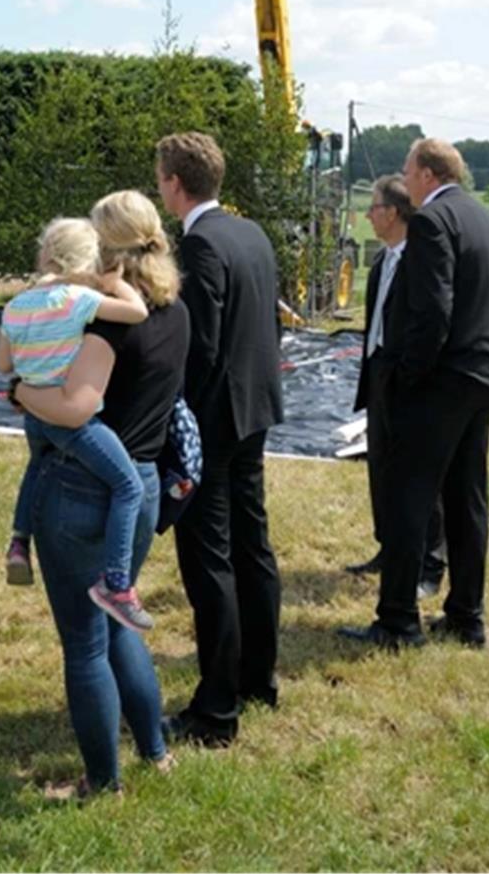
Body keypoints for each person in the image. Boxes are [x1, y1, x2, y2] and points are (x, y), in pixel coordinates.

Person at [14, 189, 189, 798]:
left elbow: (73, 408)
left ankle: (101, 782)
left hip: (80, 494)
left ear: (105, 252)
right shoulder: (176, 310)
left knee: (85, 644)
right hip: (140, 488)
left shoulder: (100, 322)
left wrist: (15, 392)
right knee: (118, 623)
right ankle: (155, 752)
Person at [338, 138, 489, 650]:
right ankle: (467, 616)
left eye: (407, 169)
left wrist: (411, 376)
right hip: (483, 379)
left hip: (440, 384)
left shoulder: (432, 221)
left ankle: (398, 621)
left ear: (425, 174)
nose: (405, 180)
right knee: (467, 499)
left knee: (407, 498)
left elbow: (431, 311)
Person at [155, 132, 283, 746]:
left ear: (174, 184)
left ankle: (216, 709)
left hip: (214, 421)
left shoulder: (202, 243)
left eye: (161, 178)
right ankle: (258, 678)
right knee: (251, 547)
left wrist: (171, 418)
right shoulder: (249, 233)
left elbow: (199, 347)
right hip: (254, 408)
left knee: (211, 562)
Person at [0, 215, 152, 632]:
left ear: (45, 253)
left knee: (36, 466)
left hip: (33, 412)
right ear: (87, 262)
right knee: (128, 485)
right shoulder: (77, 301)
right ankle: (117, 583)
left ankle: (18, 542)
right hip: (70, 417)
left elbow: (2, 362)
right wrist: (112, 282)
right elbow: (136, 312)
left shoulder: (16, 304)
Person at [346, 174, 447, 598]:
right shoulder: (382, 261)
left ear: (394, 212)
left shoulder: (417, 261)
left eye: (374, 207)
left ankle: (429, 561)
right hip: (380, 373)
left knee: (420, 474)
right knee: (382, 466)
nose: (368, 215)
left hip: (409, 376)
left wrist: (410, 373)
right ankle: (390, 546)